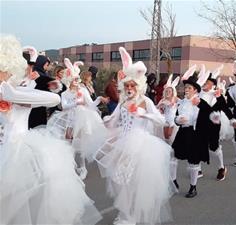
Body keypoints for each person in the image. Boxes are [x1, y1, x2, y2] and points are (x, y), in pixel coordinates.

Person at [0, 35, 101, 225]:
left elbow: (54, 100)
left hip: (18, 153)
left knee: (23, 203)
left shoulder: (19, 90)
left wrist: (15, 96)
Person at [95, 47, 173, 225]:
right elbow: (113, 121)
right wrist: (103, 120)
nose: (129, 88)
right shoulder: (123, 102)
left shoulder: (145, 101)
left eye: (133, 85)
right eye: (127, 86)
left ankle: (129, 215)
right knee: (119, 180)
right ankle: (126, 212)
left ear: (139, 86)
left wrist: (143, 114)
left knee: (132, 182)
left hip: (142, 146)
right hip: (123, 143)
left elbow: (162, 121)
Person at [47, 58, 108, 180]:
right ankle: (68, 166)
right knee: (68, 143)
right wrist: (76, 102)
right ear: (69, 80)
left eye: (77, 79)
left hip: (82, 119)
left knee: (80, 144)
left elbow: (90, 104)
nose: (77, 81)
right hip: (69, 119)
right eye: (74, 80)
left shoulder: (83, 90)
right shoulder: (65, 94)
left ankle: (82, 167)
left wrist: (99, 99)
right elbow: (64, 106)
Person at [171, 65, 201, 198]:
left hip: (193, 134)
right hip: (182, 133)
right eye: (185, 87)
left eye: (189, 88)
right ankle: (173, 182)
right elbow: (175, 118)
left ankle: (193, 187)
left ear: (195, 90)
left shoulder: (199, 103)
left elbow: (200, 119)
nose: (186, 90)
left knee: (193, 161)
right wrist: (178, 120)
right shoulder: (181, 102)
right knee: (173, 156)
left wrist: (188, 120)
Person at [156, 74, 180, 144]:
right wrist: (160, 106)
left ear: (173, 92)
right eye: (166, 91)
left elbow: (183, 104)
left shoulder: (175, 99)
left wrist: (175, 105)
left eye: (169, 91)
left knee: (170, 135)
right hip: (165, 119)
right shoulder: (163, 100)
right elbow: (157, 108)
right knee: (166, 136)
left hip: (173, 120)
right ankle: (167, 149)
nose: (168, 93)